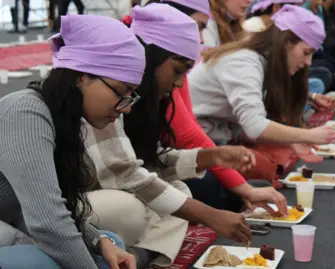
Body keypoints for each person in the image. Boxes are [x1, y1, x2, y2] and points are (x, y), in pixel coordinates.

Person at [85, 4, 285, 268]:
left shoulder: (145, 95)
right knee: (132, 209)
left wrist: (210, 156)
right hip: (81, 200)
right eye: (178, 71)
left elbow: (150, 160)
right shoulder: (108, 89)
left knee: (179, 191)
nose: (180, 83)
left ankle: (141, 254)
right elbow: (125, 175)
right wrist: (209, 215)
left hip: (108, 193)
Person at [0, 14, 146, 269]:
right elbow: (46, 222)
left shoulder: (64, 119)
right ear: (81, 76)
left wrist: (98, 240)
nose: (126, 108)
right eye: (122, 91)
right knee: (42, 264)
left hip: (11, 221)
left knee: (109, 245)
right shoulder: (25, 112)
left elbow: (47, 209)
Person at [189, 5, 335, 158]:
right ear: (286, 43)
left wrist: (290, 141)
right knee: (264, 167)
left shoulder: (261, 63)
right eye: (306, 53)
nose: (308, 62)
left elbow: (244, 128)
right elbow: (255, 126)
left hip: (219, 134)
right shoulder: (243, 62)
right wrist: (307, 135)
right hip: (193, 144)